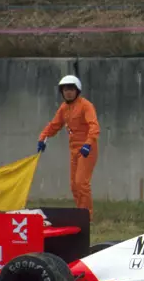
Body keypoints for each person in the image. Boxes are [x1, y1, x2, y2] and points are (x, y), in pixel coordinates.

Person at [37, 75, 100, 221]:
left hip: (87, 149)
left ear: (77, 90)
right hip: (74, 150)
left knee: (81, 183)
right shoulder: (64, 108)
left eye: (71, 89)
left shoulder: (86, 105)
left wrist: (88, 143)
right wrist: (42, 138)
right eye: (65, 90)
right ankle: (80, 213)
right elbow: (54, 125)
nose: (68, 92)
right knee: (74, 185)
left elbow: (94, 126)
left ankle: (87, 216)